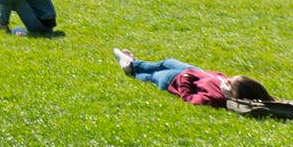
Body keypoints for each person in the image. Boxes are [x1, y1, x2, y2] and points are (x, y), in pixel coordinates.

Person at [112, 50, 276, 108]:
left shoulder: (216, 98)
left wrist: (185, 79)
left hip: (175, 80)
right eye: (229, 79)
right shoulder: (226, 86)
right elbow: (215, 76)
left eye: (230, 83)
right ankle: (135, 63)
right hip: (194, 71)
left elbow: (189, 98)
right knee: (165, 62)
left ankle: (132, 67)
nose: (226, 80)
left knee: (153, 75)